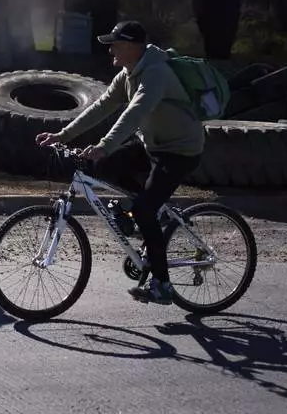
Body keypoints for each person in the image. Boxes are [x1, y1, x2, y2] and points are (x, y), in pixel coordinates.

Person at [36, 20, 205, 305]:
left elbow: (134, 115)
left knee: (143, 207)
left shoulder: (156, 73)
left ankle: (162, 284)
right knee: (105, 167)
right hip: (152, 144)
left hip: (180, 150)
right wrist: (62, 135)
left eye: (114, 44)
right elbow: (101, 107)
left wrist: (103, 145)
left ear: (130, 46)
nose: (110, 49)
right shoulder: (128, 74)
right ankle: (147, 211)